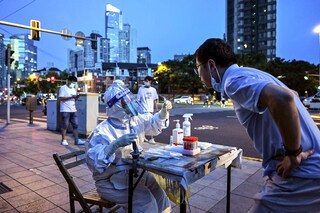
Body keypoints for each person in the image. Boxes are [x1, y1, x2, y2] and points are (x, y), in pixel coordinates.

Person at [194, 38, 320, 212]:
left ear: (211, 65)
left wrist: (293, 154)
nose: (199, 75)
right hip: (308, 167)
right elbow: (294, 94)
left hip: (299, 175)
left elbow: (284, 98)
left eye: (198, 68)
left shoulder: (232, 81)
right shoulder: (251, 73)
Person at [85, 80, 172, 212]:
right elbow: (95, 164)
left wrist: (163, 113)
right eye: (125, 101)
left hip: (132, 173)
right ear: (116, 106)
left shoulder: (133, 121)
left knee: (160, 195)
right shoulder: (102, 131)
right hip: (109, 182)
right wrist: (115, 145)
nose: (131, 103)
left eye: (130, 99)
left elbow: (152, 124)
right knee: (145, 201)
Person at [59, 75, 85, 146]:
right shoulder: (63, 88)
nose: (73, 84)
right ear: (69, 81)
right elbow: (61, 98)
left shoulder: (74, 89)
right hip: (65, 109)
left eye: (75, 83)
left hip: (73, 109)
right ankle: (63, 140)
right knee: (65, 125)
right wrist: (71, 97)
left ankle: (77, 140)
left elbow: (74, 100)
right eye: (73, 82)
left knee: (75, 125)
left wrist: (76, 97)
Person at [137, 76, 159, 144]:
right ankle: (143, 137)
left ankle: (152, 138)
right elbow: (138, 100)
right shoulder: (141, 89)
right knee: (142, 124)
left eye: (147, 81)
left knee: (151, 124)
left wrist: (157, 108)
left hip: (150, 110)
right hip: (143, 110)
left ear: (150, 82)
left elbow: (154, 100)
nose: (146, 82)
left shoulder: (153, 90)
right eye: (145, 80)